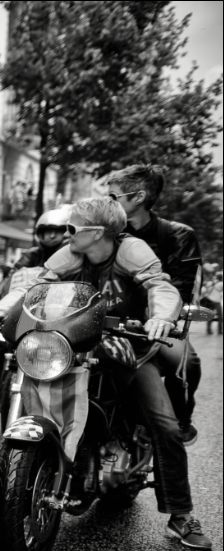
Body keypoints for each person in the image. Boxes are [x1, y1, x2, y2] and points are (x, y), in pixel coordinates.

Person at [0, 197, 210, 551]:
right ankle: (9, 480)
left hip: (131, 347)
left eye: (72, 228)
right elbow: (32, 289)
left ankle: (181, 514)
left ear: (97, 233)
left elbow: (159, 286)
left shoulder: (130, 250)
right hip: (71, 345)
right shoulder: (71, 256)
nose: (64, 234)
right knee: (31, 392)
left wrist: (161, 316)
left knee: (164, 423)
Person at [106, 165, 202, 445]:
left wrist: (158, 317)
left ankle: (181, 419)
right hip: (106, 319)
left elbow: (180, 289)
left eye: (113, 197)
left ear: (139, 197)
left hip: (155, 324)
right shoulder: (105, 232)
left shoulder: (178, 235)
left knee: (187, 362)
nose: (107, 202)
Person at [0, 206, 71, 430]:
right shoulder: (29, 255)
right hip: (27, 314)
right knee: (1, 357)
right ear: (39, 233)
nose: (51, 236)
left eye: (57, 231)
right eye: (46, 231)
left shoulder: (72, 256)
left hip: (59, 319)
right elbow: (15, 284)